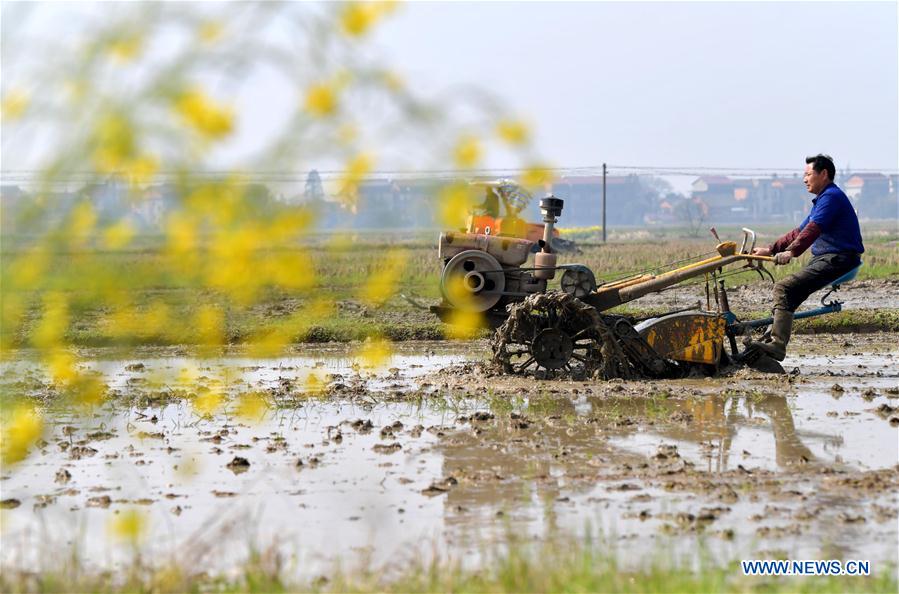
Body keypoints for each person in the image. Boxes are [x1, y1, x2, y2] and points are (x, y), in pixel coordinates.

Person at [749, 154, 864, 361]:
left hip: (838, 259)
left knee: (784, 288)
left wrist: (792, 252)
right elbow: (798, 232)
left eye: (808, 174)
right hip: (827, 259)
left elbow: (813, 229)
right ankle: (767, 343)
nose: (804, 179)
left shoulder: (831, 198)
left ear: (824, 174)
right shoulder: (823, 200)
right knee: (787, 295)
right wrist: (770, 249)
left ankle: (776, 345)